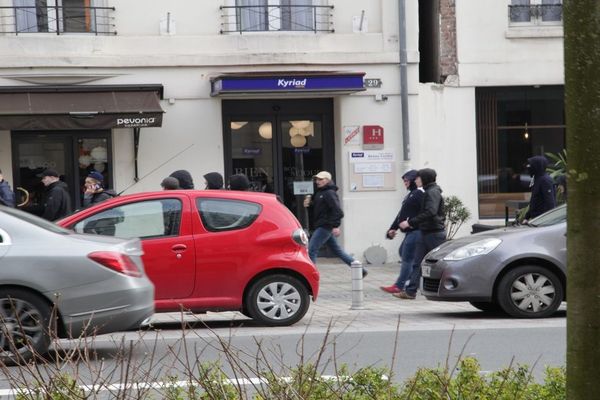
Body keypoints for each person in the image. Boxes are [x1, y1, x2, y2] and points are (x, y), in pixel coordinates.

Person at [304, 171, 367, 277]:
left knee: (311, 250)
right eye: (317, 179)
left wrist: (335, 226)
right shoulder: (320, 193)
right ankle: (360, 270)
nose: (317, 181)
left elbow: (338, 212)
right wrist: (310, 205)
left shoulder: (329, 193)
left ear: (328, 180)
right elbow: (319, 211)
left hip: (325, 226)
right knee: (337, 251)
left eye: (321, 179)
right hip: (323, 225)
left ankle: (311, 276)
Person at [395, 168, 446, 299]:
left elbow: (431, 212)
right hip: (426, 231)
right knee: (417, 263)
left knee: (439, 262)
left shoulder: (432, 192)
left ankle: (445, 288)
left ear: (425, 179)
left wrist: (411, 222)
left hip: (434, 233)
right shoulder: (428, 191)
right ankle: (410, 291)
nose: (416, 180)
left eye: (418, 178)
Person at [380, 170, 424, 294]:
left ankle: (400, 285)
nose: (405, 183)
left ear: (414, 180)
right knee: (403, 253)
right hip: (411, 231)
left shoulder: (419, 194)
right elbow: (402, 214)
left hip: (416, 230)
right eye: (404, 181)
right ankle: (413, 281)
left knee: (407, 258)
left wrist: (410, 223)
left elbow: (425, 213)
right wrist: (393, 228)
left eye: (407, 180)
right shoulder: (411, 194)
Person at [522, 155, 556, 223]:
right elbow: (534, 200)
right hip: (536, 219)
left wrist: (549, 220)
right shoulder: (537, 179)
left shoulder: (545, 181)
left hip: (542, 220)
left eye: (531, 166)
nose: (528, 168)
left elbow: (550, 202)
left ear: (537, 166)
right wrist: (527, 217)